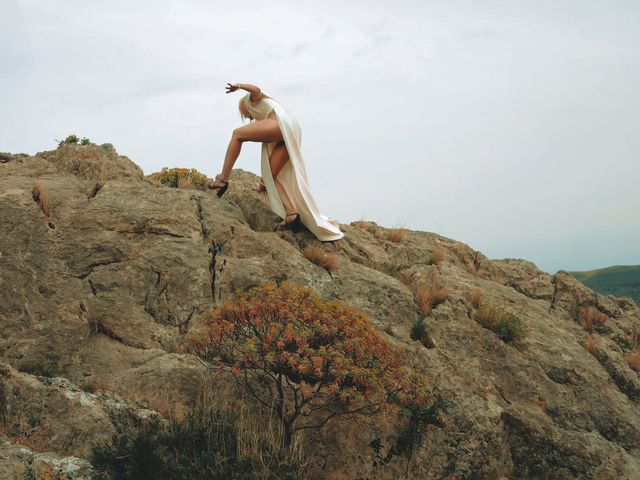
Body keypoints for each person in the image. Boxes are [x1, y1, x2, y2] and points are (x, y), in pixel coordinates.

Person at [207, 82, 344, 241]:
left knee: (237, 134)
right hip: (293, 129)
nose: (249, 117)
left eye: (247, 114)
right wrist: (265, 181)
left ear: (246, 106)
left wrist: (239, 86)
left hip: (281, 124)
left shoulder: (253, 100)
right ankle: (292, 214)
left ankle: (222, 180)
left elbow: (256, 89)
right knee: (272, 176)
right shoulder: (270, 109)